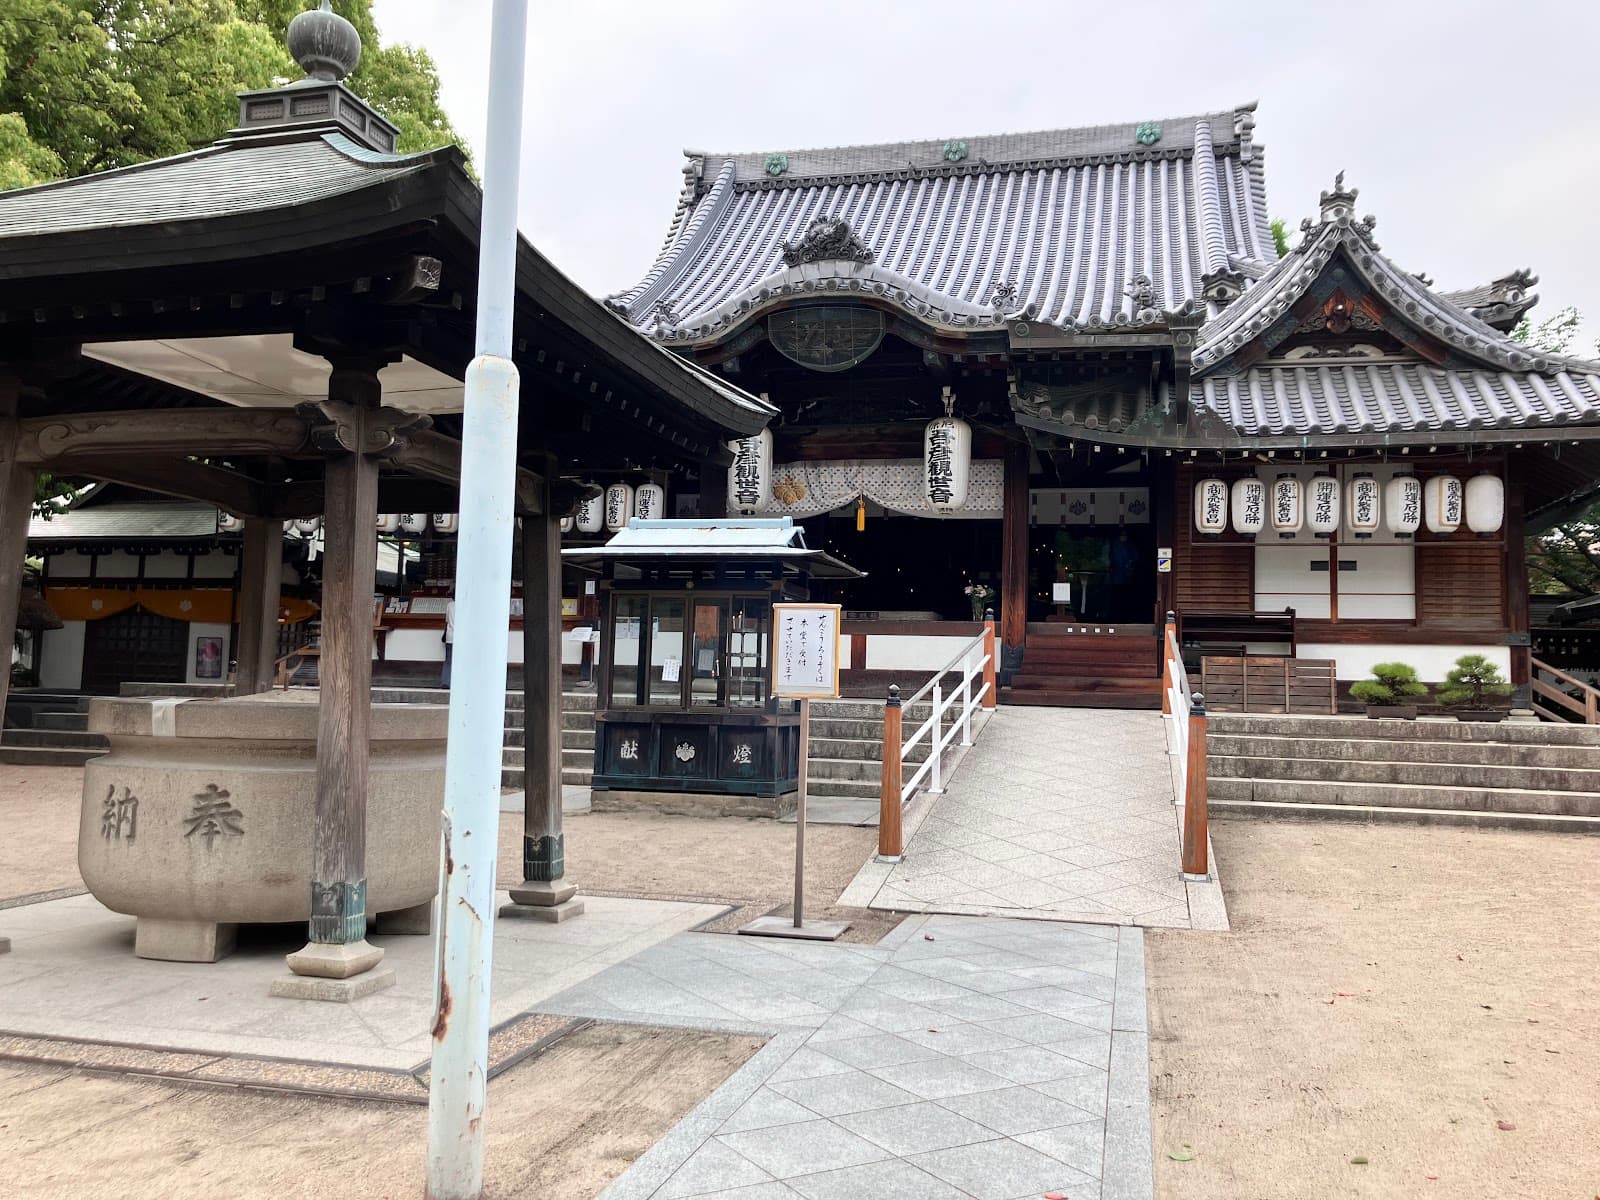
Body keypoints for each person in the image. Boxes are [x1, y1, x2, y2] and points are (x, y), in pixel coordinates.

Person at [440, 594, 456, 688]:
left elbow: (447, 620)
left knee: (448, 661)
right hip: (462, 637)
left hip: (450, 636)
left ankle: (446, 682)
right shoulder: (467, 604)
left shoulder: (450, 605)